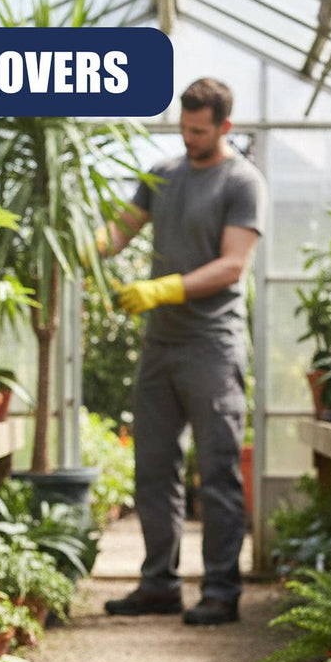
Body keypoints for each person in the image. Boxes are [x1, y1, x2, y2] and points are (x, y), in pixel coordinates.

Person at [96, 77, 266, 626]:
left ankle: (221, 590)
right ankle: (158, 585)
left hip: (212, 346)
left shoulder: (242, 182)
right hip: (160, 344)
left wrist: (164, 287)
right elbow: (120, 231)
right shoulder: (163, 175)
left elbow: (233, 264)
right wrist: (85, 245)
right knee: (152, 466)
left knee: (216, 469)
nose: (189, 138)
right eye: (184, 128)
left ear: (224, 127)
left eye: (199, 130)